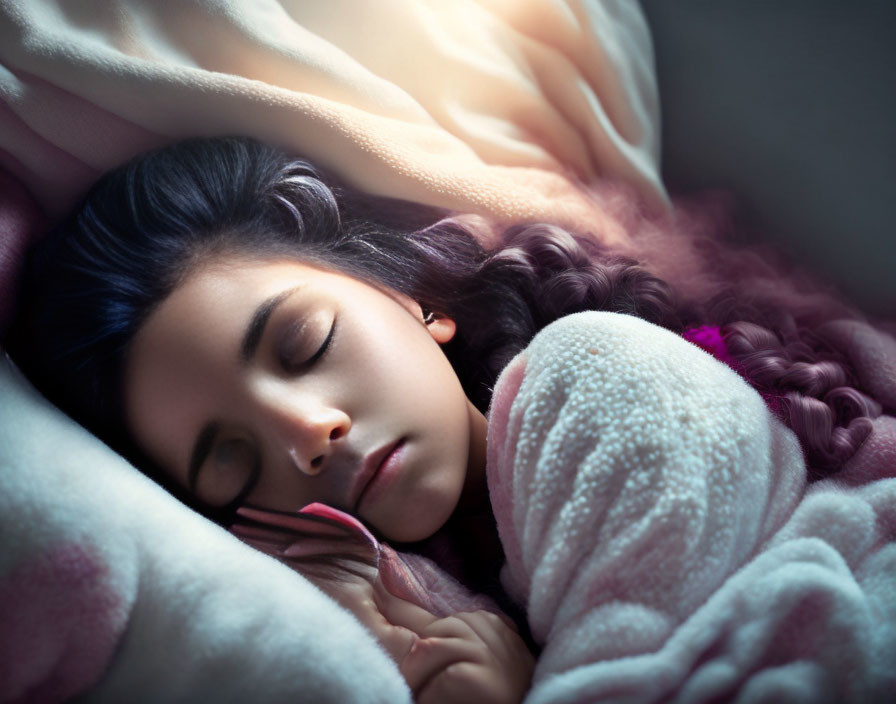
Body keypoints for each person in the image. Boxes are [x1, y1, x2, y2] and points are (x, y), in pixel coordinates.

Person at [9, 136, 880, 702]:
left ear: (408, 295)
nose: (308, 434)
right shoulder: (410, 609)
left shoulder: (594, 373)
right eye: (230, 463)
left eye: (305, 343)